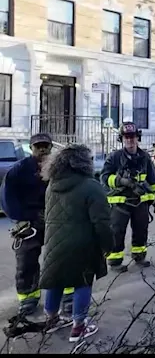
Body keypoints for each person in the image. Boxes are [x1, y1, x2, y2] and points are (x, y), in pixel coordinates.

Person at [39, 143, 114, 342]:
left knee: (56, 279)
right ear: (83, 163)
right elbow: (102, 222)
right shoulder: (91, 186)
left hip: (55, 243)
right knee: (82, 281)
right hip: (83, 244)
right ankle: (79, 326)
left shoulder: (52, 185)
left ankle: (51, 319)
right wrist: (108, 246)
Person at [0, 133, 74, 317]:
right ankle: (28, 299)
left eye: (45, 146)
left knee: (62, 259)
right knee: (26, 262)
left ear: (50, 147)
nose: (42, 149)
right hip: (30, 223)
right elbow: (7, 196)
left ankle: (68, 298)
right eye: (37, 146)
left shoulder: (60, 169)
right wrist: (21, 218)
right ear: (31, 148)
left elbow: (71, 192)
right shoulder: (19, 170)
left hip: (56, 221)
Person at [100, 122, 155, 271]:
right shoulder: (114, 157)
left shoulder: (145, 157)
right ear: (121, 139)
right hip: (120, 202)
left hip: (140, 202)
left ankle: (139, 257)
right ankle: (115, 262)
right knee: (117, 232)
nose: (129, 140)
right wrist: (120, 181)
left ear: (137, 138)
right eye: (126, 137)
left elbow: (153, 181)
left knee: (141, 230)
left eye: (132, 137)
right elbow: (104, 177)